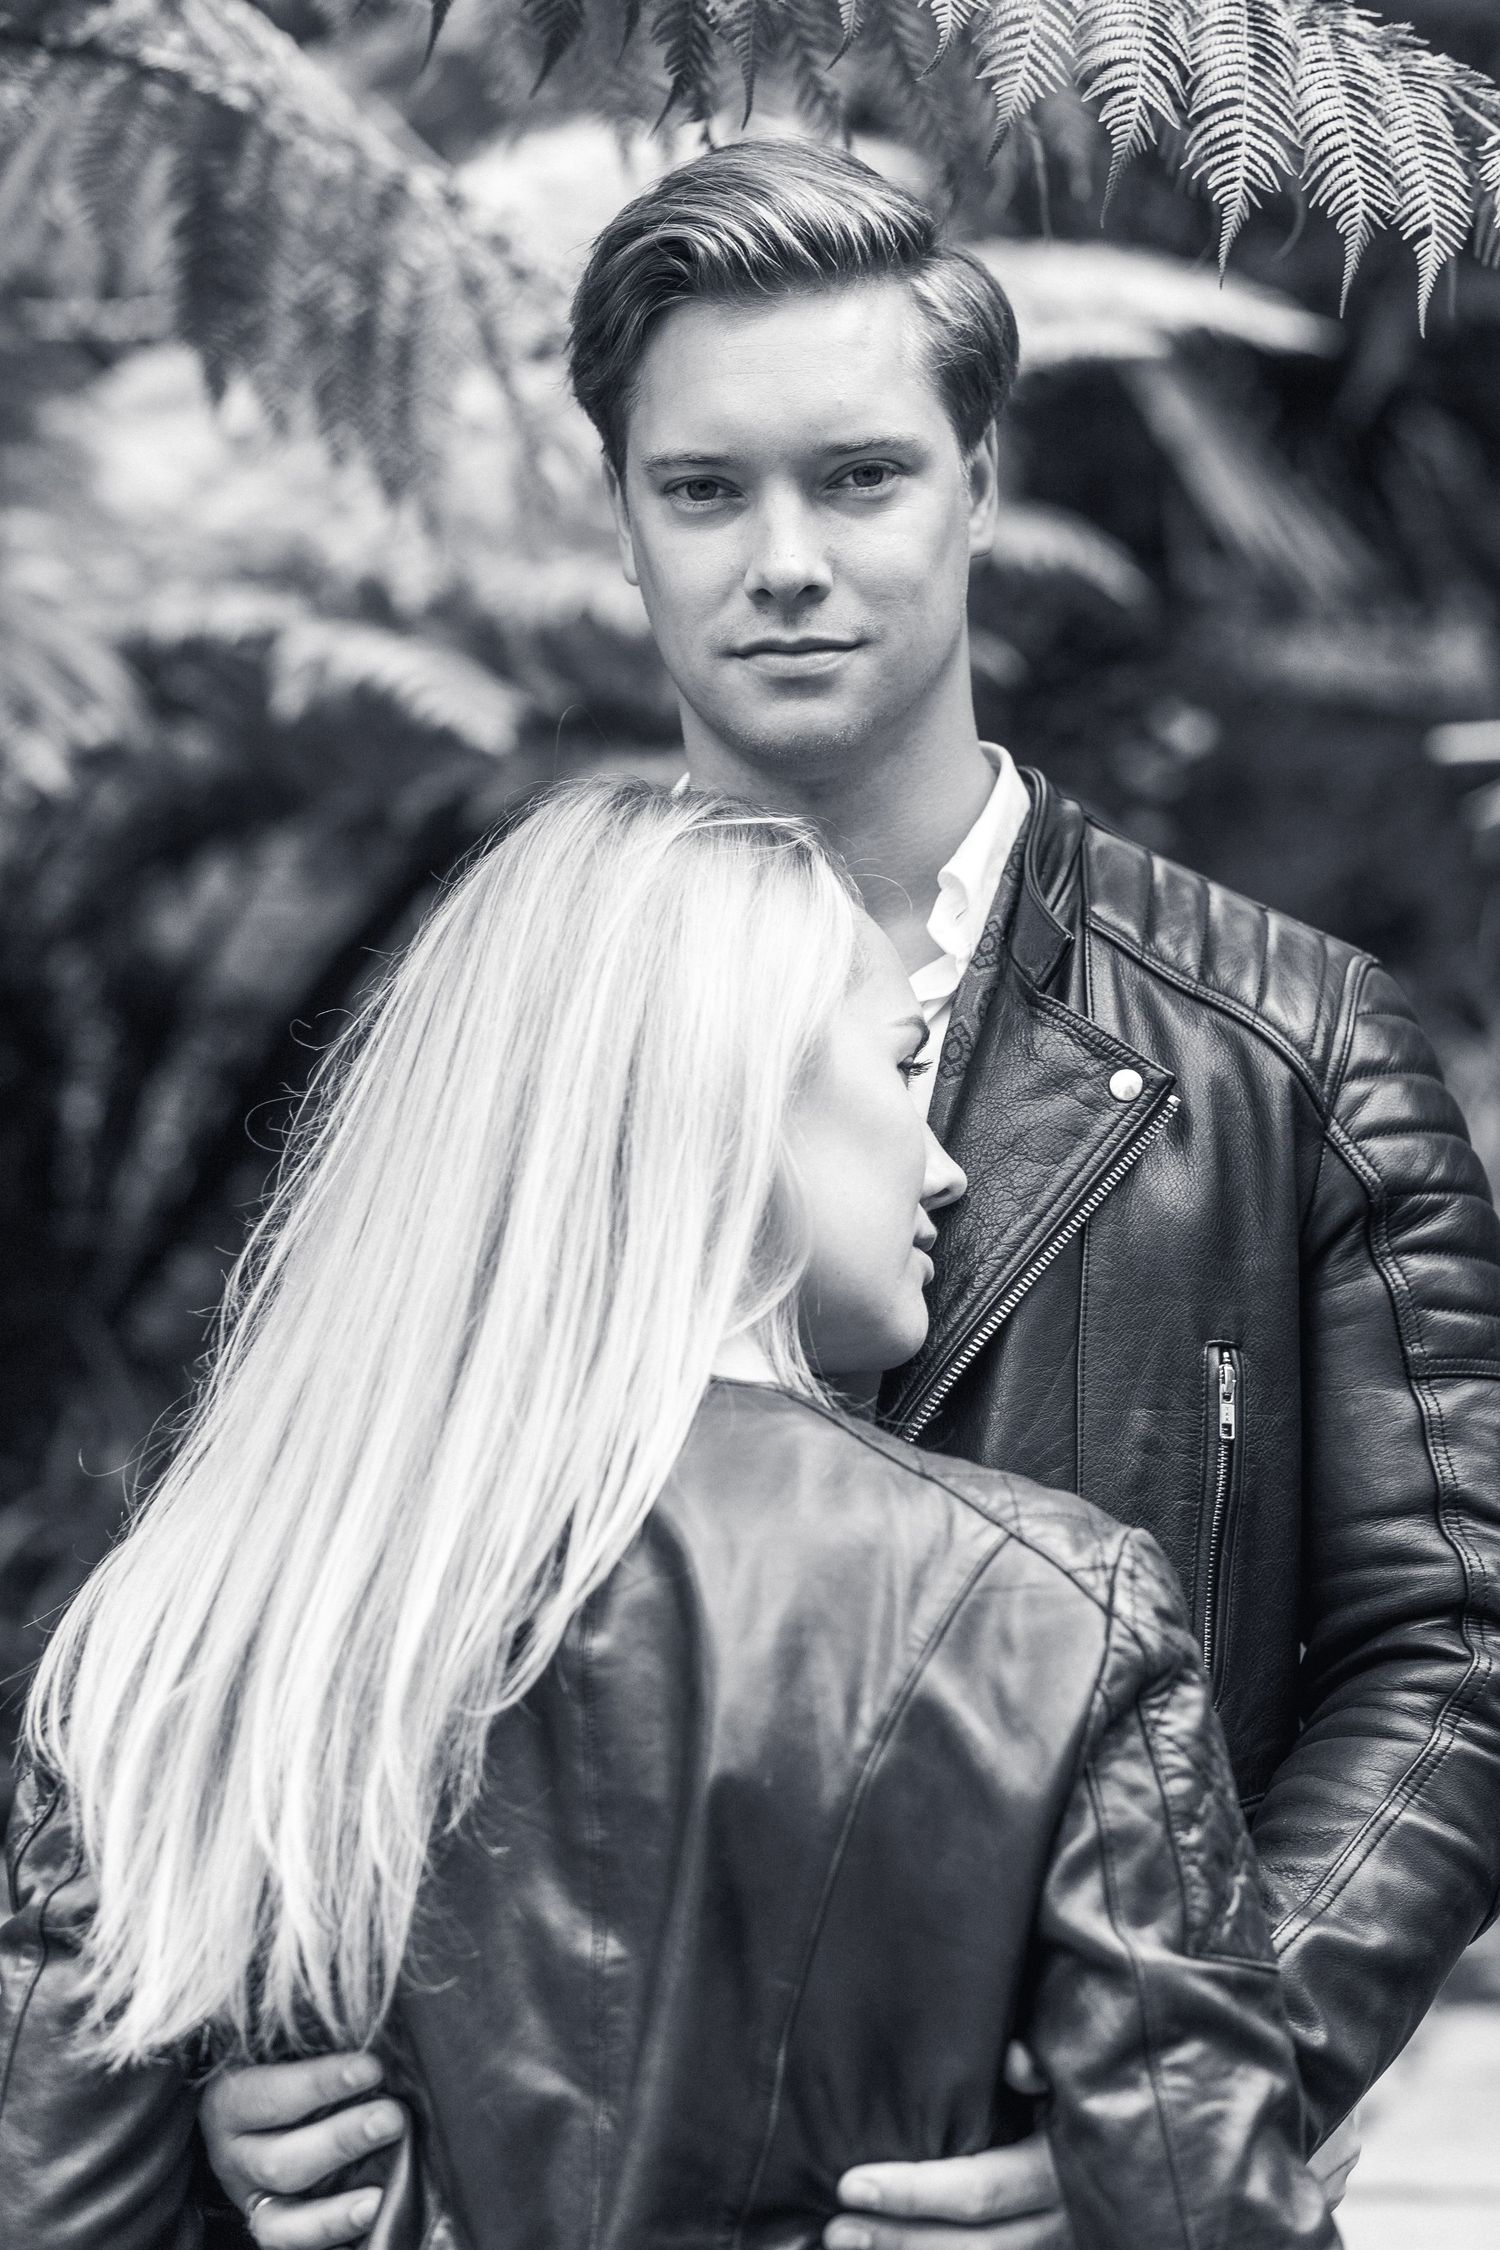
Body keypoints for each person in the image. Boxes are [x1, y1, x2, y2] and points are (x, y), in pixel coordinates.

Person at [196, 138, 1500, 2250]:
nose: (784, 558)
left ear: (983, 481)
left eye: (864, 477)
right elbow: (302, 1571)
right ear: (619, 513)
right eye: (705, 489)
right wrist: (236, 2041)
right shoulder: (477, 1038)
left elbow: (1453, 1657)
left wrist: (1169, 2105)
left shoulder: (1299, 1051)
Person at [0, 781, 1338, 2250]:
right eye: (902, 1069)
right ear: (737, 1095)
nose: (948, 1164)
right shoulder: (1055, 1613)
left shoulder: (190, 1633)